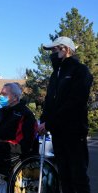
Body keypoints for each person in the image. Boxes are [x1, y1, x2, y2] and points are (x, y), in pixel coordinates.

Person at [38, 36, 93, 193]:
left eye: (55, 49)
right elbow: (49, 102)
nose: (52, 53)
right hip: (58, 133)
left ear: (66, 50)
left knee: (78, 178)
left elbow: (75, 103)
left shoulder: (80, 71)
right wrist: (44, 121)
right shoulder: (55, 75)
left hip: (74, 133)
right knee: (64, 177)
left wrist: (50, 123)